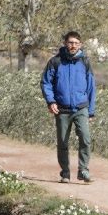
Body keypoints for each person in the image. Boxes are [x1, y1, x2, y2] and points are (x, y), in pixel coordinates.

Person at [40, 31, 96, 184]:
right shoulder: (55, 62)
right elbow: (46, 83)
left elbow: (91, 87)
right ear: (65, 43)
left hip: (81, 108)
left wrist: (91, 111)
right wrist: (51, 101)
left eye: (76, 43)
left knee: (85, 139)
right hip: (62, 109)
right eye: (70, 42)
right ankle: (65, 172)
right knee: (63, 142)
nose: (73, 46)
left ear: (80, 45)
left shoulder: (85, 62)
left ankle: (83, 170)